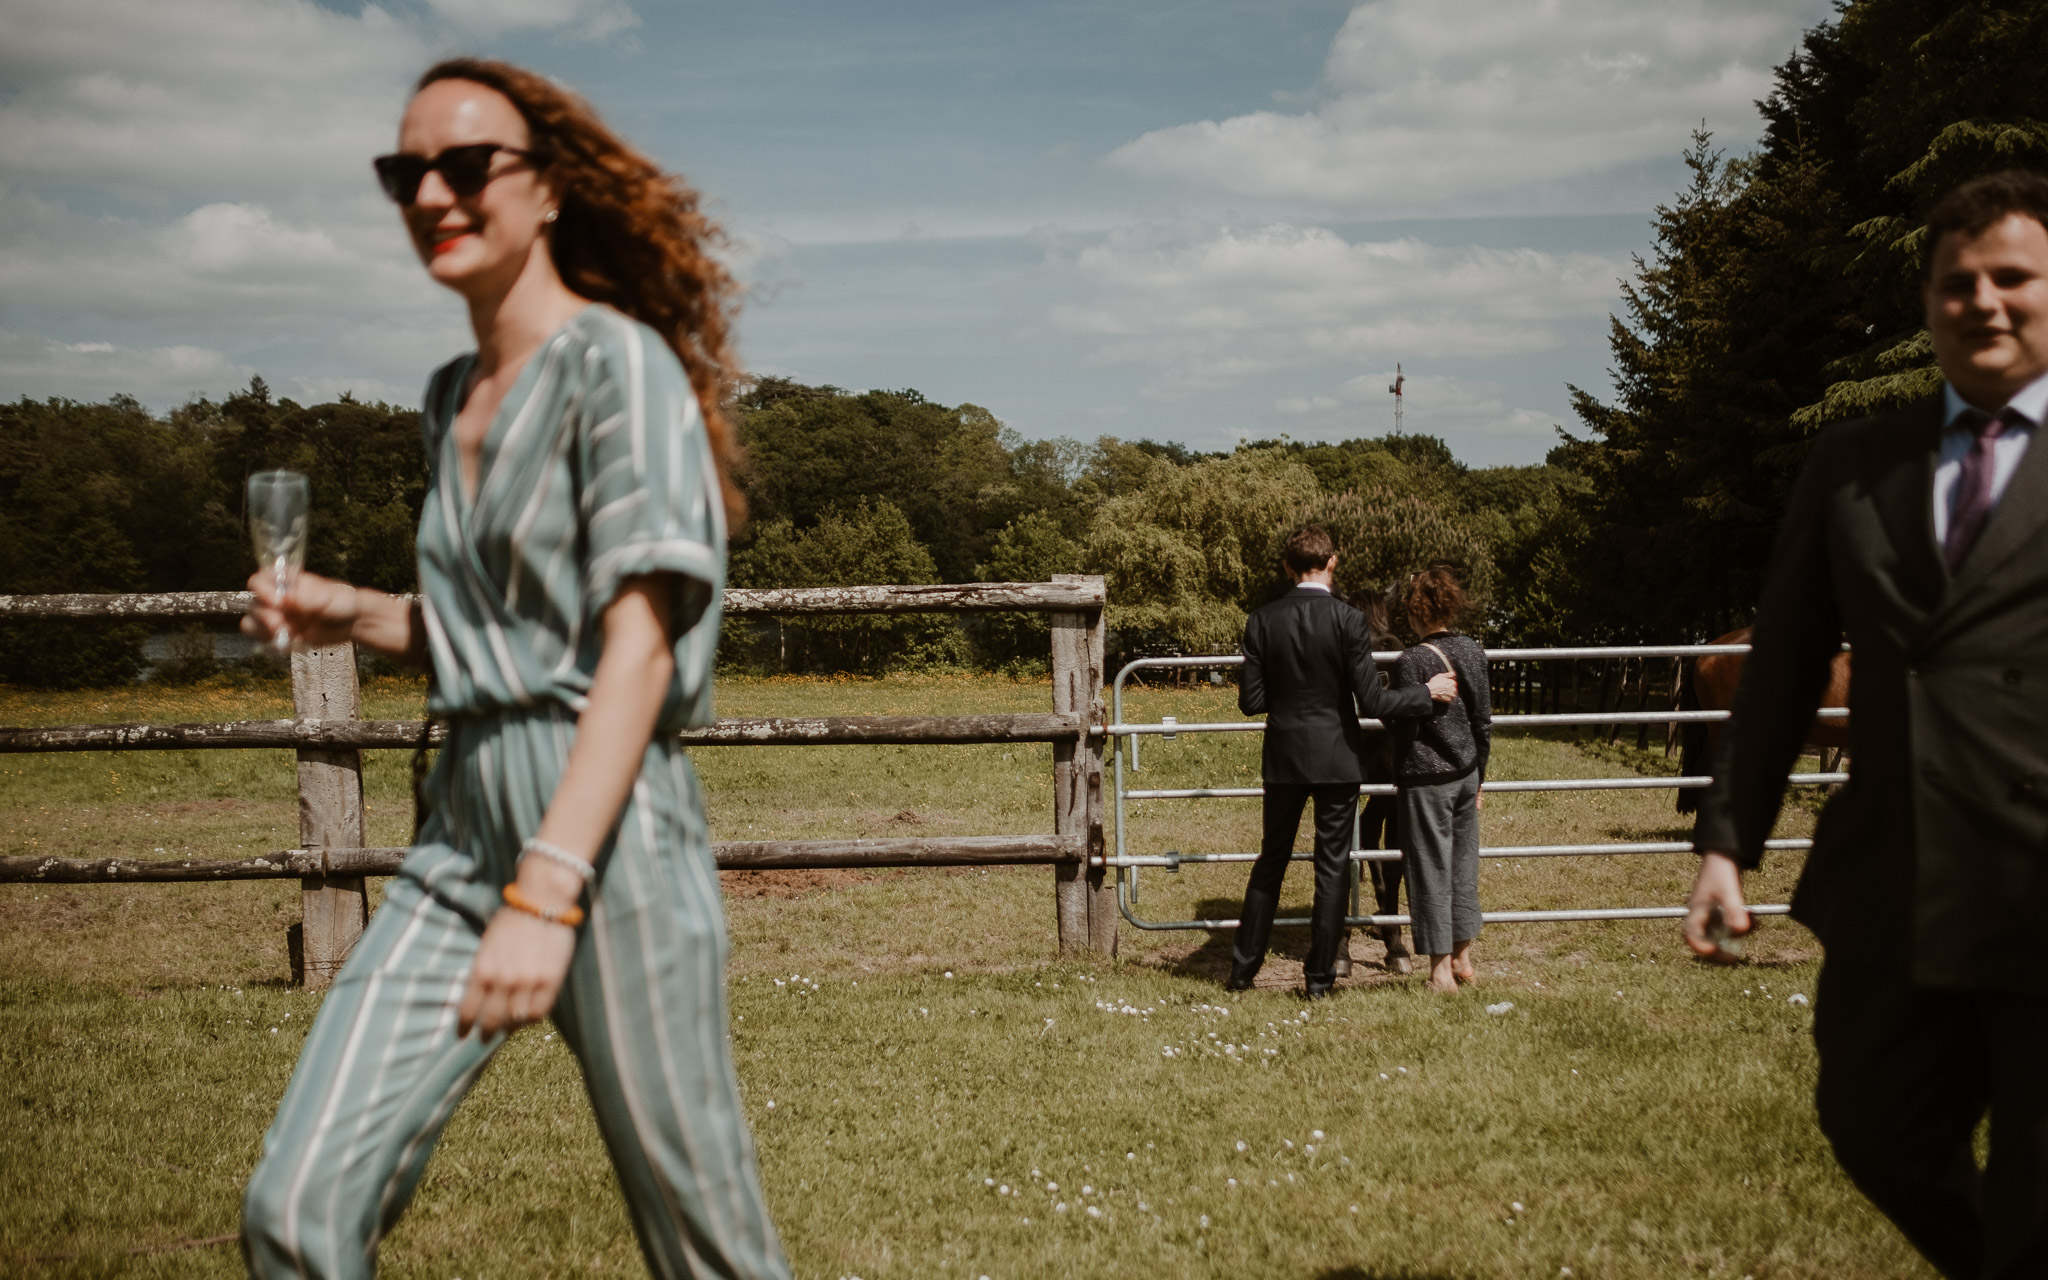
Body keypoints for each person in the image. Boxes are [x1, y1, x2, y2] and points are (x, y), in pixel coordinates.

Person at [236, 59, 789, 1280]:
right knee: (296, 1206)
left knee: (706, 1247)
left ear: (546, 191)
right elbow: (492, 640)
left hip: (608, 833)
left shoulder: (618, 366)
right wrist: (354, 613)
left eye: (466, 164)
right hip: (458, 829)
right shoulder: (449, 396)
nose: (431, 191)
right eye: (405, 171)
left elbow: (632, 652)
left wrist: (547, 889)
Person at [1683, 169, 2048, 1280]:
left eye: (2011, 278)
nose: (1981, 301)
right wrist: (1722, 839)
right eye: (1955, 283)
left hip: (2042, 890)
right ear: (1926, 301)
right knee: (1870, 1126)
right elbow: (1786, 661)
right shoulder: (1852, 464)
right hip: (1894, 880)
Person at [1229, 526, 1456, 997]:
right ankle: (1318, 981)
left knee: (1271, 860)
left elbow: (1250, 701)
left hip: (1285, 757)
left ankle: (1241, 972)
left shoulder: (1261, 620)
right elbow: (1372, 702)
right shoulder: (1350, 622)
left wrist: (1290, 695)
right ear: (1332, 562)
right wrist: (1425, 694)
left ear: (1288, 568)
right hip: (1338, 758)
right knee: (1332, 865)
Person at [1389, 568, 1492, 994]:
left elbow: (1403, 728)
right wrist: (1480, 776)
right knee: (1463, 863)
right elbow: (1482, 721)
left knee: (1429, 868)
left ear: (1415, 610)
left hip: (1426, 778)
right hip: (1467, 774)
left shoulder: (1410, 660)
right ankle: (1464, 957)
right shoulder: (1473, 651)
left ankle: (1439, 971)